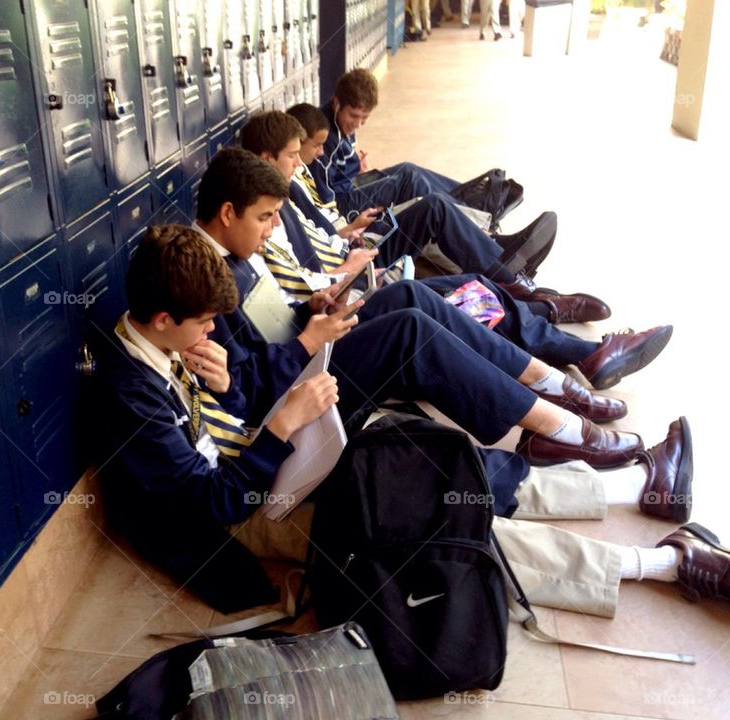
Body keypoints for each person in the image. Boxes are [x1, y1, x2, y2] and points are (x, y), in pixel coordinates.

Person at [96, 224, 726, 620]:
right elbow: (211, 504)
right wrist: (284, 424)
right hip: (250, 513)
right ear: (158, 319)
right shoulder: (134, 398)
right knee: (424, 512)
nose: (214, 334)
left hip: (264, 461)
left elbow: (220, 426)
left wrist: (232, 389)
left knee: (423, 452)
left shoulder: (168, 345)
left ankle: (628, 487)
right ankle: (663, 567)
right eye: (204, 324)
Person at [243, 108, 673, 391]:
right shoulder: (256, 225)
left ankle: (542, 309)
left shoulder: (278, 197)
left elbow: (306, 263)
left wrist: (346, 240)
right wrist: (340, 269)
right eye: (294, 155)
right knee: (439, 285)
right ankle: (544, 311)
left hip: (344, 265)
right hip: (339, 292)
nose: (303, 162)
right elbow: (293, 305)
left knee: (469, 281)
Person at [310, 70, 556, 278]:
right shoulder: (323, 138)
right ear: (336, 103)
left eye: (364, 118)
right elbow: (327, 199)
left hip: (353, 182)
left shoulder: (342, 121)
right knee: (410, 180)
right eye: (354, 116)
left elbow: (344, 158)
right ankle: (482, 224)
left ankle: (478, 215)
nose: (358, 124)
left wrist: (357, 165)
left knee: (409, 169)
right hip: (344, 201)